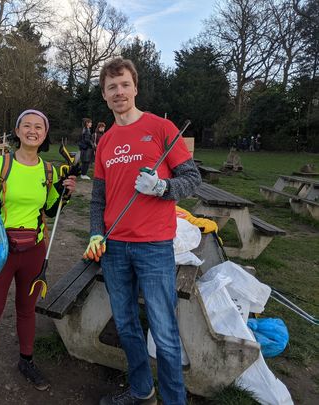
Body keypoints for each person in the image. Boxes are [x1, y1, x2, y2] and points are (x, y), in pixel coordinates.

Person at [84, 58, 201, 405]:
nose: (119, 92)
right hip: (114, 247)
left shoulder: (161, 128)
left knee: (164, 332)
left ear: (135, 87)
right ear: (104, 96)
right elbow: (97, 200)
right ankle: (141, 391)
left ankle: (174, 400)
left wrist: (163, 188)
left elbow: (192, 179)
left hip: (154, 247)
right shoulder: (105, 141)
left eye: (124, 85)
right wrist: (95, 233)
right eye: (111, 87)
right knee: (126, 326)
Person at [0, 109, 76, 397]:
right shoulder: (0, 165)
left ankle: (26, 361)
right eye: (26, 125)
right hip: (0, 250)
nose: (32, 130)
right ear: (17, 132)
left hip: (34, 250)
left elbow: (51, 210)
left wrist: (65, 193)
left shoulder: (49, 171)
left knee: (27, 310)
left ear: (44, 134)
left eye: (38, 126)